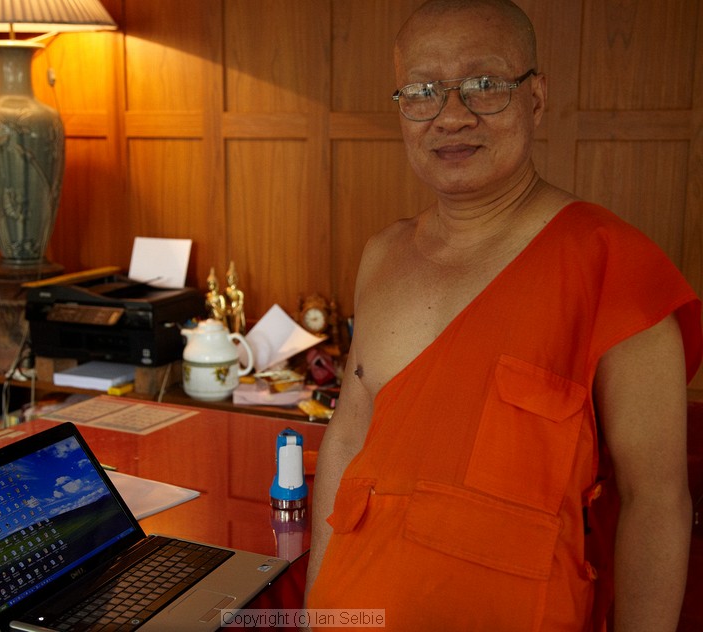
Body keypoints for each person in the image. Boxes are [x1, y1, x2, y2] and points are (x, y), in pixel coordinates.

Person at [304, 1, 702, 631]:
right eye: (423, 91)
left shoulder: (613, 264)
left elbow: (656, 502)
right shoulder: (382, 256)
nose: (452, 116)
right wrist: (317, 616)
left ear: (535, 98)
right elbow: (348, 442)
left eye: (485, 86)